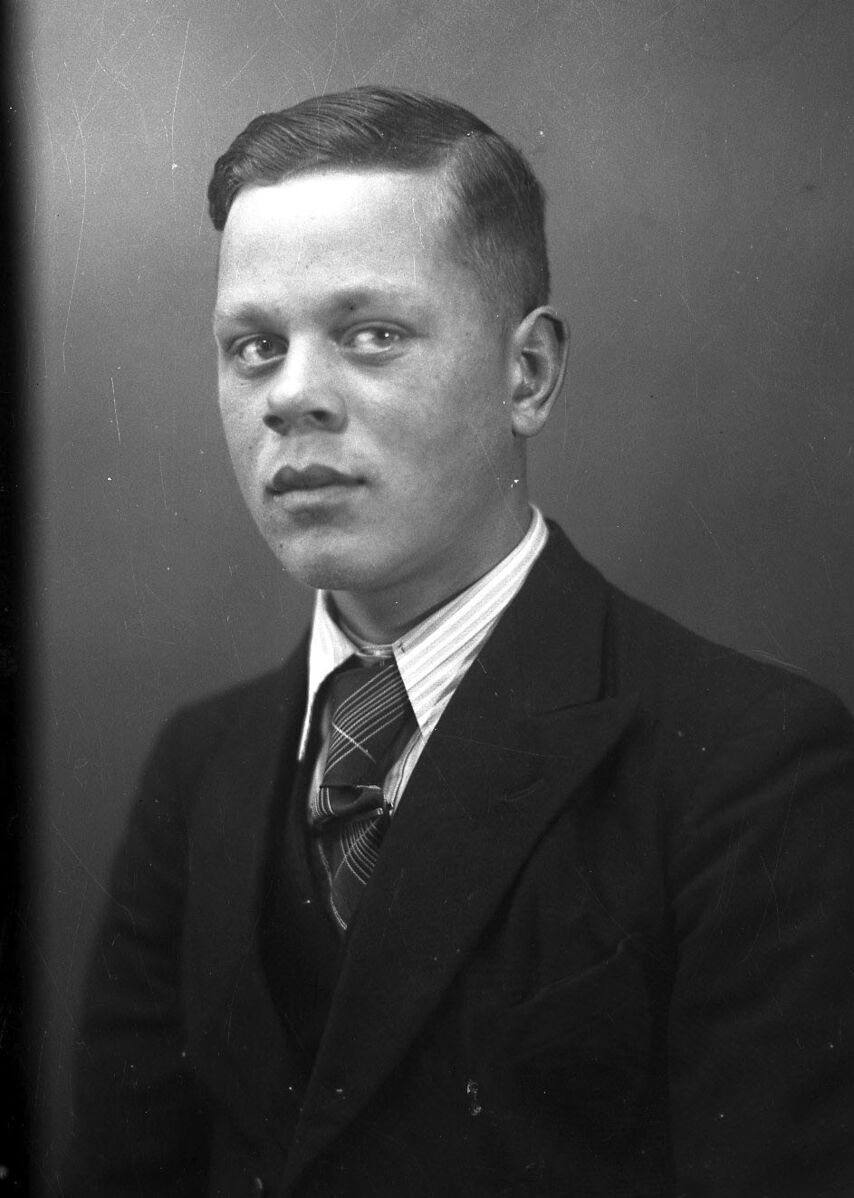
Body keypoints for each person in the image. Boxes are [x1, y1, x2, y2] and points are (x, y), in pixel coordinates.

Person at [62, 86, 854, 1197]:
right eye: (253, 346)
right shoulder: (201, 767)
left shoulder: (750, 767)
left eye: (371, 335)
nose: (292, 397)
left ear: (527, 374)